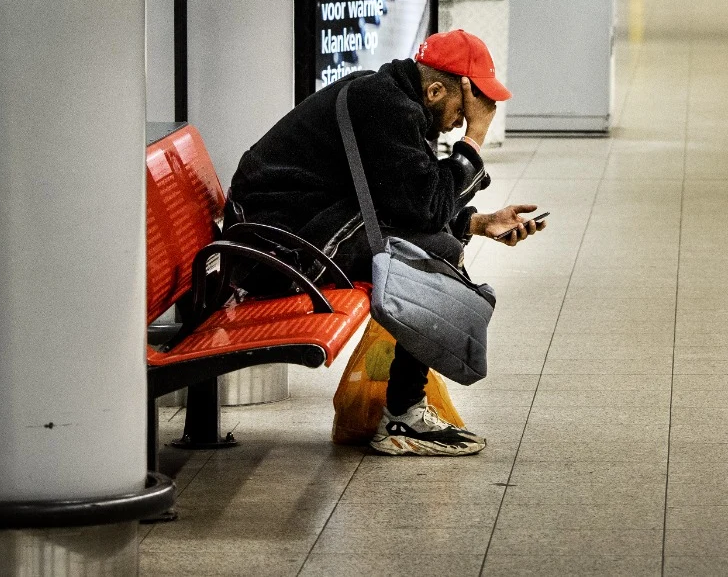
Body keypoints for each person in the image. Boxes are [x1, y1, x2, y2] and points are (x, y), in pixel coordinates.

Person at [226, 29, 545, 456]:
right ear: (434, 90)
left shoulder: (391, 99)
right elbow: (422, 208)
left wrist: (476, 222)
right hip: (271, 251)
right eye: (462, 109)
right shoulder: (387, 107)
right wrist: (474, 140)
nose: (461, 119)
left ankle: (405, 411)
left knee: (439, 241)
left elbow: (403, 201)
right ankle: (405, 415)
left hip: (291, 231)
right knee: (438, 250)